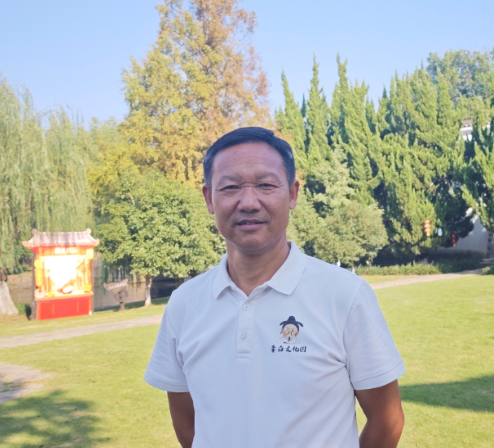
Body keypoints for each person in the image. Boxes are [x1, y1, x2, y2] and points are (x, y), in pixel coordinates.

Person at [144, 127, 405, 448]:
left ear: (293, 194)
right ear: (209, 198)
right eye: (230, 187)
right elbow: (189, 425)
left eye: (266, 185)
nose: (248, 202)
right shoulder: (184, 304)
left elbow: (387, 420)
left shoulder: (345, 296)